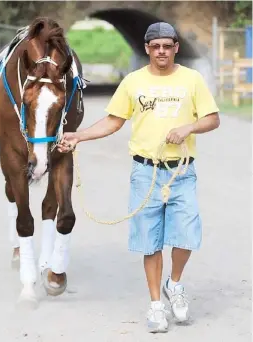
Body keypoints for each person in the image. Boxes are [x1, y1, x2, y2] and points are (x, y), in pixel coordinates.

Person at [57, 22, 220, 333]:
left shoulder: (192, 80)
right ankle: (157, 305)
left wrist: (188, 127)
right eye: (155, 46)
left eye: (167, 46)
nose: (161, 51)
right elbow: (113, 121)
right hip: (145, 172)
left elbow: (212, 119)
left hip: (182, 172)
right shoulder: (133, 82)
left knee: (186, 235)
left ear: (176, 48)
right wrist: (79, 136)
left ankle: (176, 283)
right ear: (146, 48)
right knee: (150, 242)